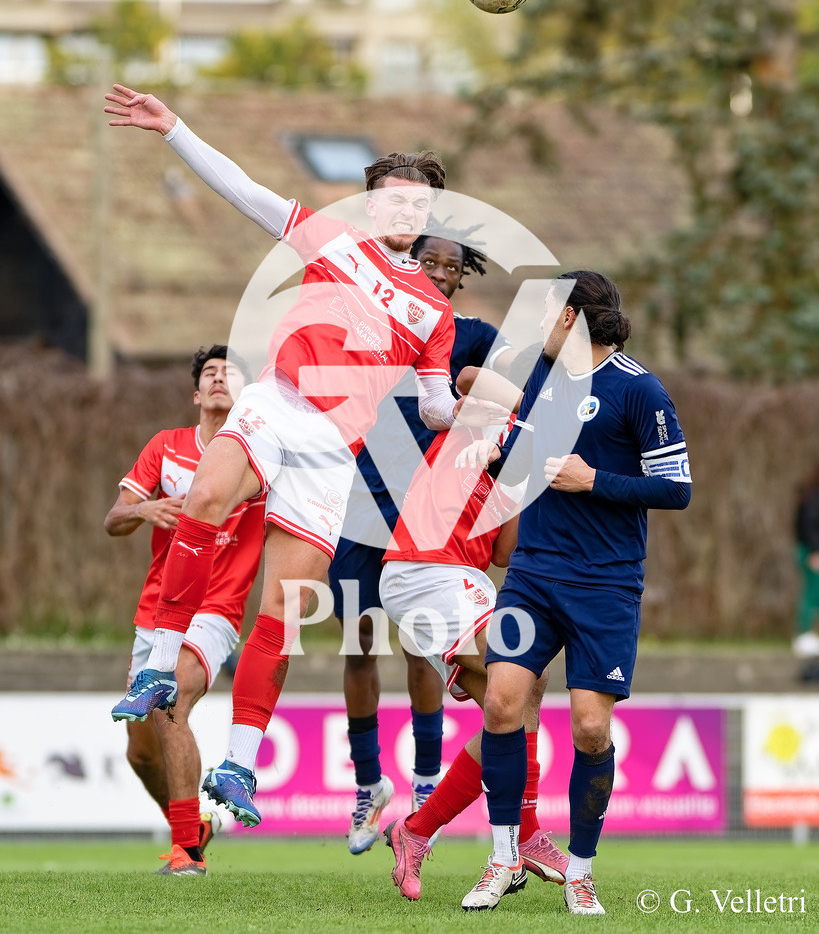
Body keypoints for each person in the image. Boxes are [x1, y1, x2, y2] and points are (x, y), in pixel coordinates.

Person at [105, 84, 460, 828]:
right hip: (279, 404)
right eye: (395, 201)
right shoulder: (332, 240)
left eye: (419, 204)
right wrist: (173, 129)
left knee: (283, 610)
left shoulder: (435, 310)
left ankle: (238, 763)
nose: (406, 214)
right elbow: (242, 189)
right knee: (203, 502)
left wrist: (466, 407)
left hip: (333, 451)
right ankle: (158, 670)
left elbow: (431, 406)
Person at [455, 270, 692, 914]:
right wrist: (485, 448)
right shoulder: (540, 380)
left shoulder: (641, 392)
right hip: (532, 574)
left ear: (572, 319)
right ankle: (502, 858)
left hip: (605, 583)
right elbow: (524, 463)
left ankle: (581, 869)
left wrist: (596, 481)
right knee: (502, 706)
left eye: (545, 311)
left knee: (590, 728)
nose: (536, 323)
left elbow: (676, 489)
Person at [327, 219, 516, 855]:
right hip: (359, 506)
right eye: (428, 261)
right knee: (358, 646)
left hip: (428, 519)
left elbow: (516, 395)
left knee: (418, 650)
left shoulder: (476, 339)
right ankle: (367, 785)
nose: (439, 273)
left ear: (463, 276)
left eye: (450, 266)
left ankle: (427, 780)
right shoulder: (372, 328)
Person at [379, 366, 569, 905]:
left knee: (514, 696)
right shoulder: (474, 421)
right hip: (425, 568)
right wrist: (532, 420)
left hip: (456, 576)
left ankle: (417, 830)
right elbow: (470, 374)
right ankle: (526, 830)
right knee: (521, 669)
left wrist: (523, 481)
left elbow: (505, 554)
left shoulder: (509, 468)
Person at [105, 346, 264, 875]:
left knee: (167, 698)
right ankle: (190, 823)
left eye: (230, 373)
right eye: (210, 375)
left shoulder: (260, 453)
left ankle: (185, 854)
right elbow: (114, 518)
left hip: (216, 610)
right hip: (156, 609)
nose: (220, 380)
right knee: (140, 753)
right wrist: (143, 508)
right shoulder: (166, 447)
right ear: (197, 394)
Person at [793, 467, 819, 677]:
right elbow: (809, 525)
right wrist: (814, 550)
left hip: (810, 549)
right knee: (812, 592)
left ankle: (808, 635)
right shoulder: (814, 496)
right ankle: (804, 634)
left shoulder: (810, 493)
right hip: (811, 551)